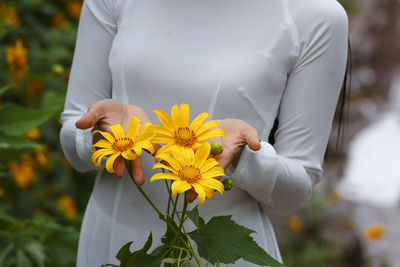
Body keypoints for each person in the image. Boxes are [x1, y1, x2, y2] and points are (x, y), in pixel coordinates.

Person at [59, 0, 349, 266]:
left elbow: (295, 192)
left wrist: (246, 158)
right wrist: (98, 136)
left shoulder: (315, 15)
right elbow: (73, 133)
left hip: (224, 256)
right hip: (113, 246)